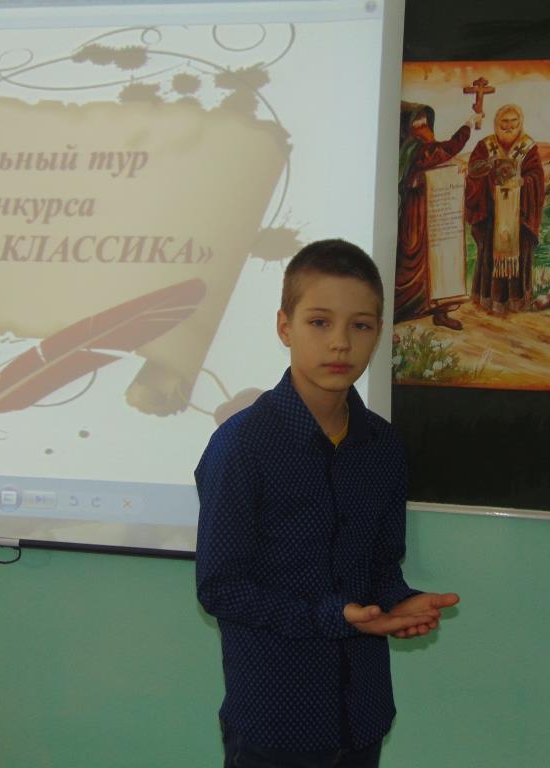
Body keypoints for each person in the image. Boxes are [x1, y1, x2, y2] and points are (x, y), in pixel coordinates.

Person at [195, 238, 460, 768]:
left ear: (378, 333)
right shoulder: (241, 446)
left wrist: (399, 603)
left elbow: (381, 567)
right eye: (320, 322)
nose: (340, 343)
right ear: (284, 327)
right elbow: (221, 589)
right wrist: (332, 616)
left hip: (361, 713)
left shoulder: (384, 447)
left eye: (360, 326)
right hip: (274, 721)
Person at [395, 103, 476, 330]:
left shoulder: (420, 148)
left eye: (425, 122)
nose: (424, 127)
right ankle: (397, 312)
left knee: (441, 257)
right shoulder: (413, 149)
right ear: (407, 127)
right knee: (413, 262)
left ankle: (441, 311)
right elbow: (445, 150)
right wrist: (468, 125)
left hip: (434, 211)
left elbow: (439, 163)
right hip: (416, 216)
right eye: (417, 123)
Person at [465, 104, 545, 314]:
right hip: (491, 214)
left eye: (513, 122)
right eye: (504, 122)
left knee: (519, 255)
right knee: (489, 257)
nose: (509, 127)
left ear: (520, 123)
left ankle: (517, 301)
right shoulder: (485, 146)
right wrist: (487, 167)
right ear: (496, 124)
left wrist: (523, 182)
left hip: (518, 214)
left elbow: (537, 177)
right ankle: (488, 300)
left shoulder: (528, 148)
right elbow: (472, 171)